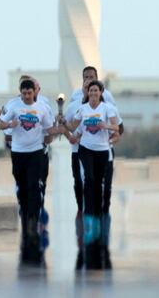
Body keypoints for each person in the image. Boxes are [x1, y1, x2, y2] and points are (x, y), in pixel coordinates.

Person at [0, 79, 60, 263]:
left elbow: (49, 129)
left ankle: (32, 222)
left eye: (30, 93)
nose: (27, 96)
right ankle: (26, 213)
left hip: (36, 152)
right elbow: (0, 126)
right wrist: (7, 122)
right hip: (18, 153)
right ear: (21, 93)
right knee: (22, 188)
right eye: (24, 93)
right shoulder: (14, 106)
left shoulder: (42, 108)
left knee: (33, 187)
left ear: (34, 93)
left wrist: (62, 127)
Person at [65, 80, 119, 246]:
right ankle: (89, 220)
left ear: (101, 93)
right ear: (87, 93)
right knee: (88, 179)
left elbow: (116, 128)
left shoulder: (107, 108)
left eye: (96, 91)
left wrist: (105, 125)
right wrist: (62, 123)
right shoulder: (82, 109)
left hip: (102, 151)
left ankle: (97, 218)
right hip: (86, 149)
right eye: (91, 91)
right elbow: (74, 127)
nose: (94, 93)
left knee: (98, 185)